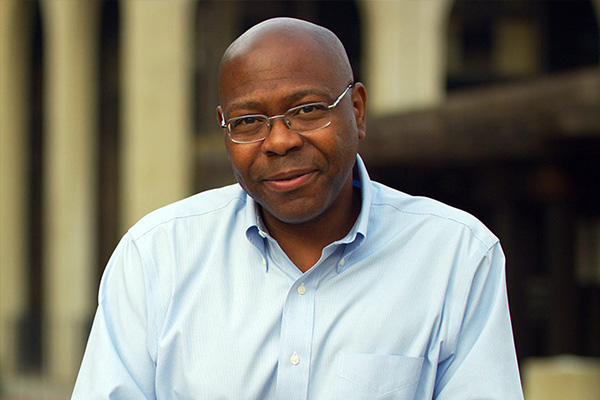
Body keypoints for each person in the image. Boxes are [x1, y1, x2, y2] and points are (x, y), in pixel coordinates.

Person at [72, 17, 523, 399]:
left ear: (359, 112)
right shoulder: (156, 257)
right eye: (248, 121)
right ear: (224, 129)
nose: (280, 140)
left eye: (307, 110)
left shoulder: (456, 257)